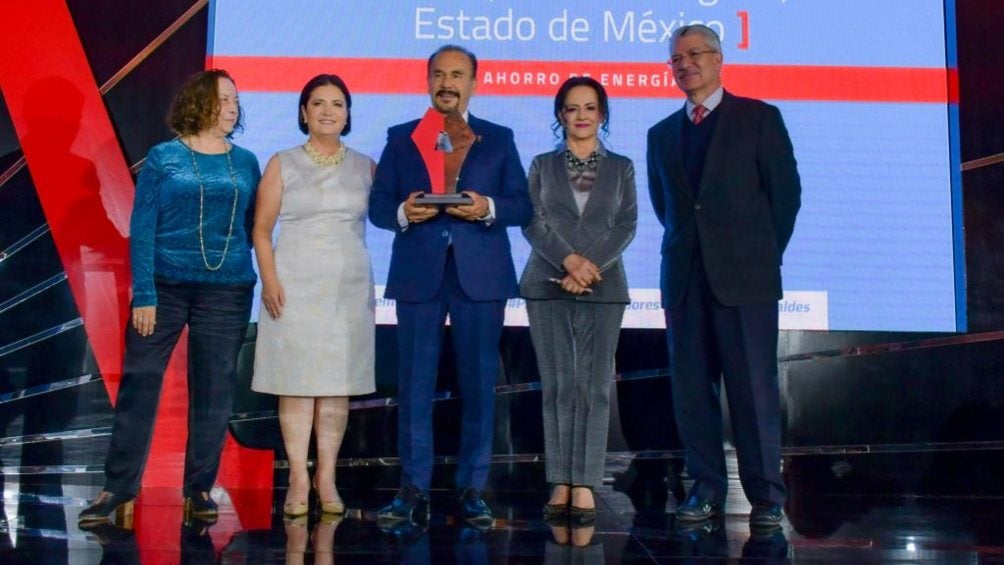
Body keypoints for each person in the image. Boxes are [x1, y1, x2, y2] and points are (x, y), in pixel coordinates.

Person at [78, 69, 260, 527]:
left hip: (227, 289)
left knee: (215, 391)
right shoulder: (164, 158)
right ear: (200, 101)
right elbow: (142, 227)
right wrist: (145, 292)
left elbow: (253, 225)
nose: (234, 106)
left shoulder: (247, 162)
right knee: (140, 383)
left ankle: (198, 488)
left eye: (237, 99)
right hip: (164, 287)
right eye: (224, 98)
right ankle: (117, 489)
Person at [369, 44, 532, 526]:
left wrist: (488, 208)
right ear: (426, 81)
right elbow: (379, 207)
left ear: (474, 84)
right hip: (419, 274)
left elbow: (522, 205)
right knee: (414, 386)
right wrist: (404, 211)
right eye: (439, 74)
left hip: (480, 276)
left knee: (480, 384)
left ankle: (472, 488)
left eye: (457, 75)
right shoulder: (401, 139)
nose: (447, 82)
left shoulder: (498, 138)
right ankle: (414, 488)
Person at [646, 24, 801, 528]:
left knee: (753, 390)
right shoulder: (661, 134)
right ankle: (705, 488)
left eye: (694, 54)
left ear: (718, 60)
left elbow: (786, 199)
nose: (685, 64)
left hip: (746, 281)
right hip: (685, 282)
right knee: (692, 393)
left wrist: (757, 254)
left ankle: (766, 496)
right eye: (676, 58)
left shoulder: (760, 118)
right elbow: (665, 207)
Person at [251, 74, 376, 517]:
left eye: (337, 104)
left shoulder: (366, 165)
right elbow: (262, 230)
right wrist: (269, 280)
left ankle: (327, 476)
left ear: (347, 113)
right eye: (318, 103)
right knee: (297, 383)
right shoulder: (281, 162)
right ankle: (298, 479)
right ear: (303, 112)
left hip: (348, 287)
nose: (327, 111)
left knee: (336, 385)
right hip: (293, 283)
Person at [519, 77, 637, 526]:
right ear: (560, 115)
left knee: (592, 388)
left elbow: (626, 224)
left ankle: (585, 482)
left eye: (590, 107)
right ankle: (560, 480)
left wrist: (588, 265)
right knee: (558, 386)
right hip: (546, 283)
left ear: (602, 114)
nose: (582, 115)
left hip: (604, 287)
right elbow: (532, 221)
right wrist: (568, 261)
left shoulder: (622, 167)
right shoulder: (541, 165)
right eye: (572, 108)